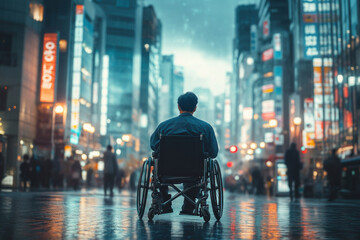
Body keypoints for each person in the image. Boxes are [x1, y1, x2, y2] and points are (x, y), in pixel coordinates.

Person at [150, 92, 219, 215]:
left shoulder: (164, 127)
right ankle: (189, 205)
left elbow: (153, 145)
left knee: (157, 164)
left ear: (178, 107)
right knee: (196, 172)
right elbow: (213, 153)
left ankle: (165, 202)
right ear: (195, 108)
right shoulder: (206, 128)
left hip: (166, 169)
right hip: (195, 170)